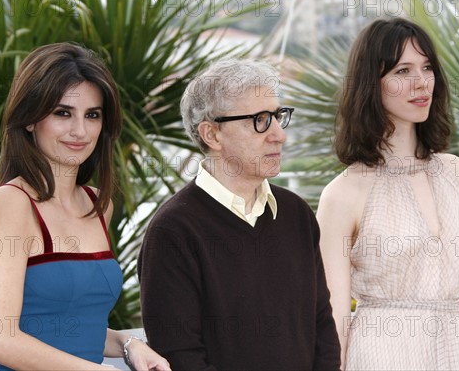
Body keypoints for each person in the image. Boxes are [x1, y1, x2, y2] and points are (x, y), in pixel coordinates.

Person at [0, 42, 170, 371]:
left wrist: (127, 343)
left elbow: (70, 327)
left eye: (92, 115)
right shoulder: (10, 203)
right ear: (30, 119)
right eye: (62, 113)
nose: (80, 131)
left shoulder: (96, 204)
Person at [317, 18, 459, 370]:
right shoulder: (343, 194)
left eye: (427, 67)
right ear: (372, 84)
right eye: (402, 70)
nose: (421, 83)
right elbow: (336, 317)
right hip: (382, 356)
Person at [138, 58, 341, 370]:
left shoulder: (296, 213)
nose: (279, 135)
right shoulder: (174, 230)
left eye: (278, 117)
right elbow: (179, 355)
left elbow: (321, 325)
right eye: (260, 120)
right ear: (212, 135)